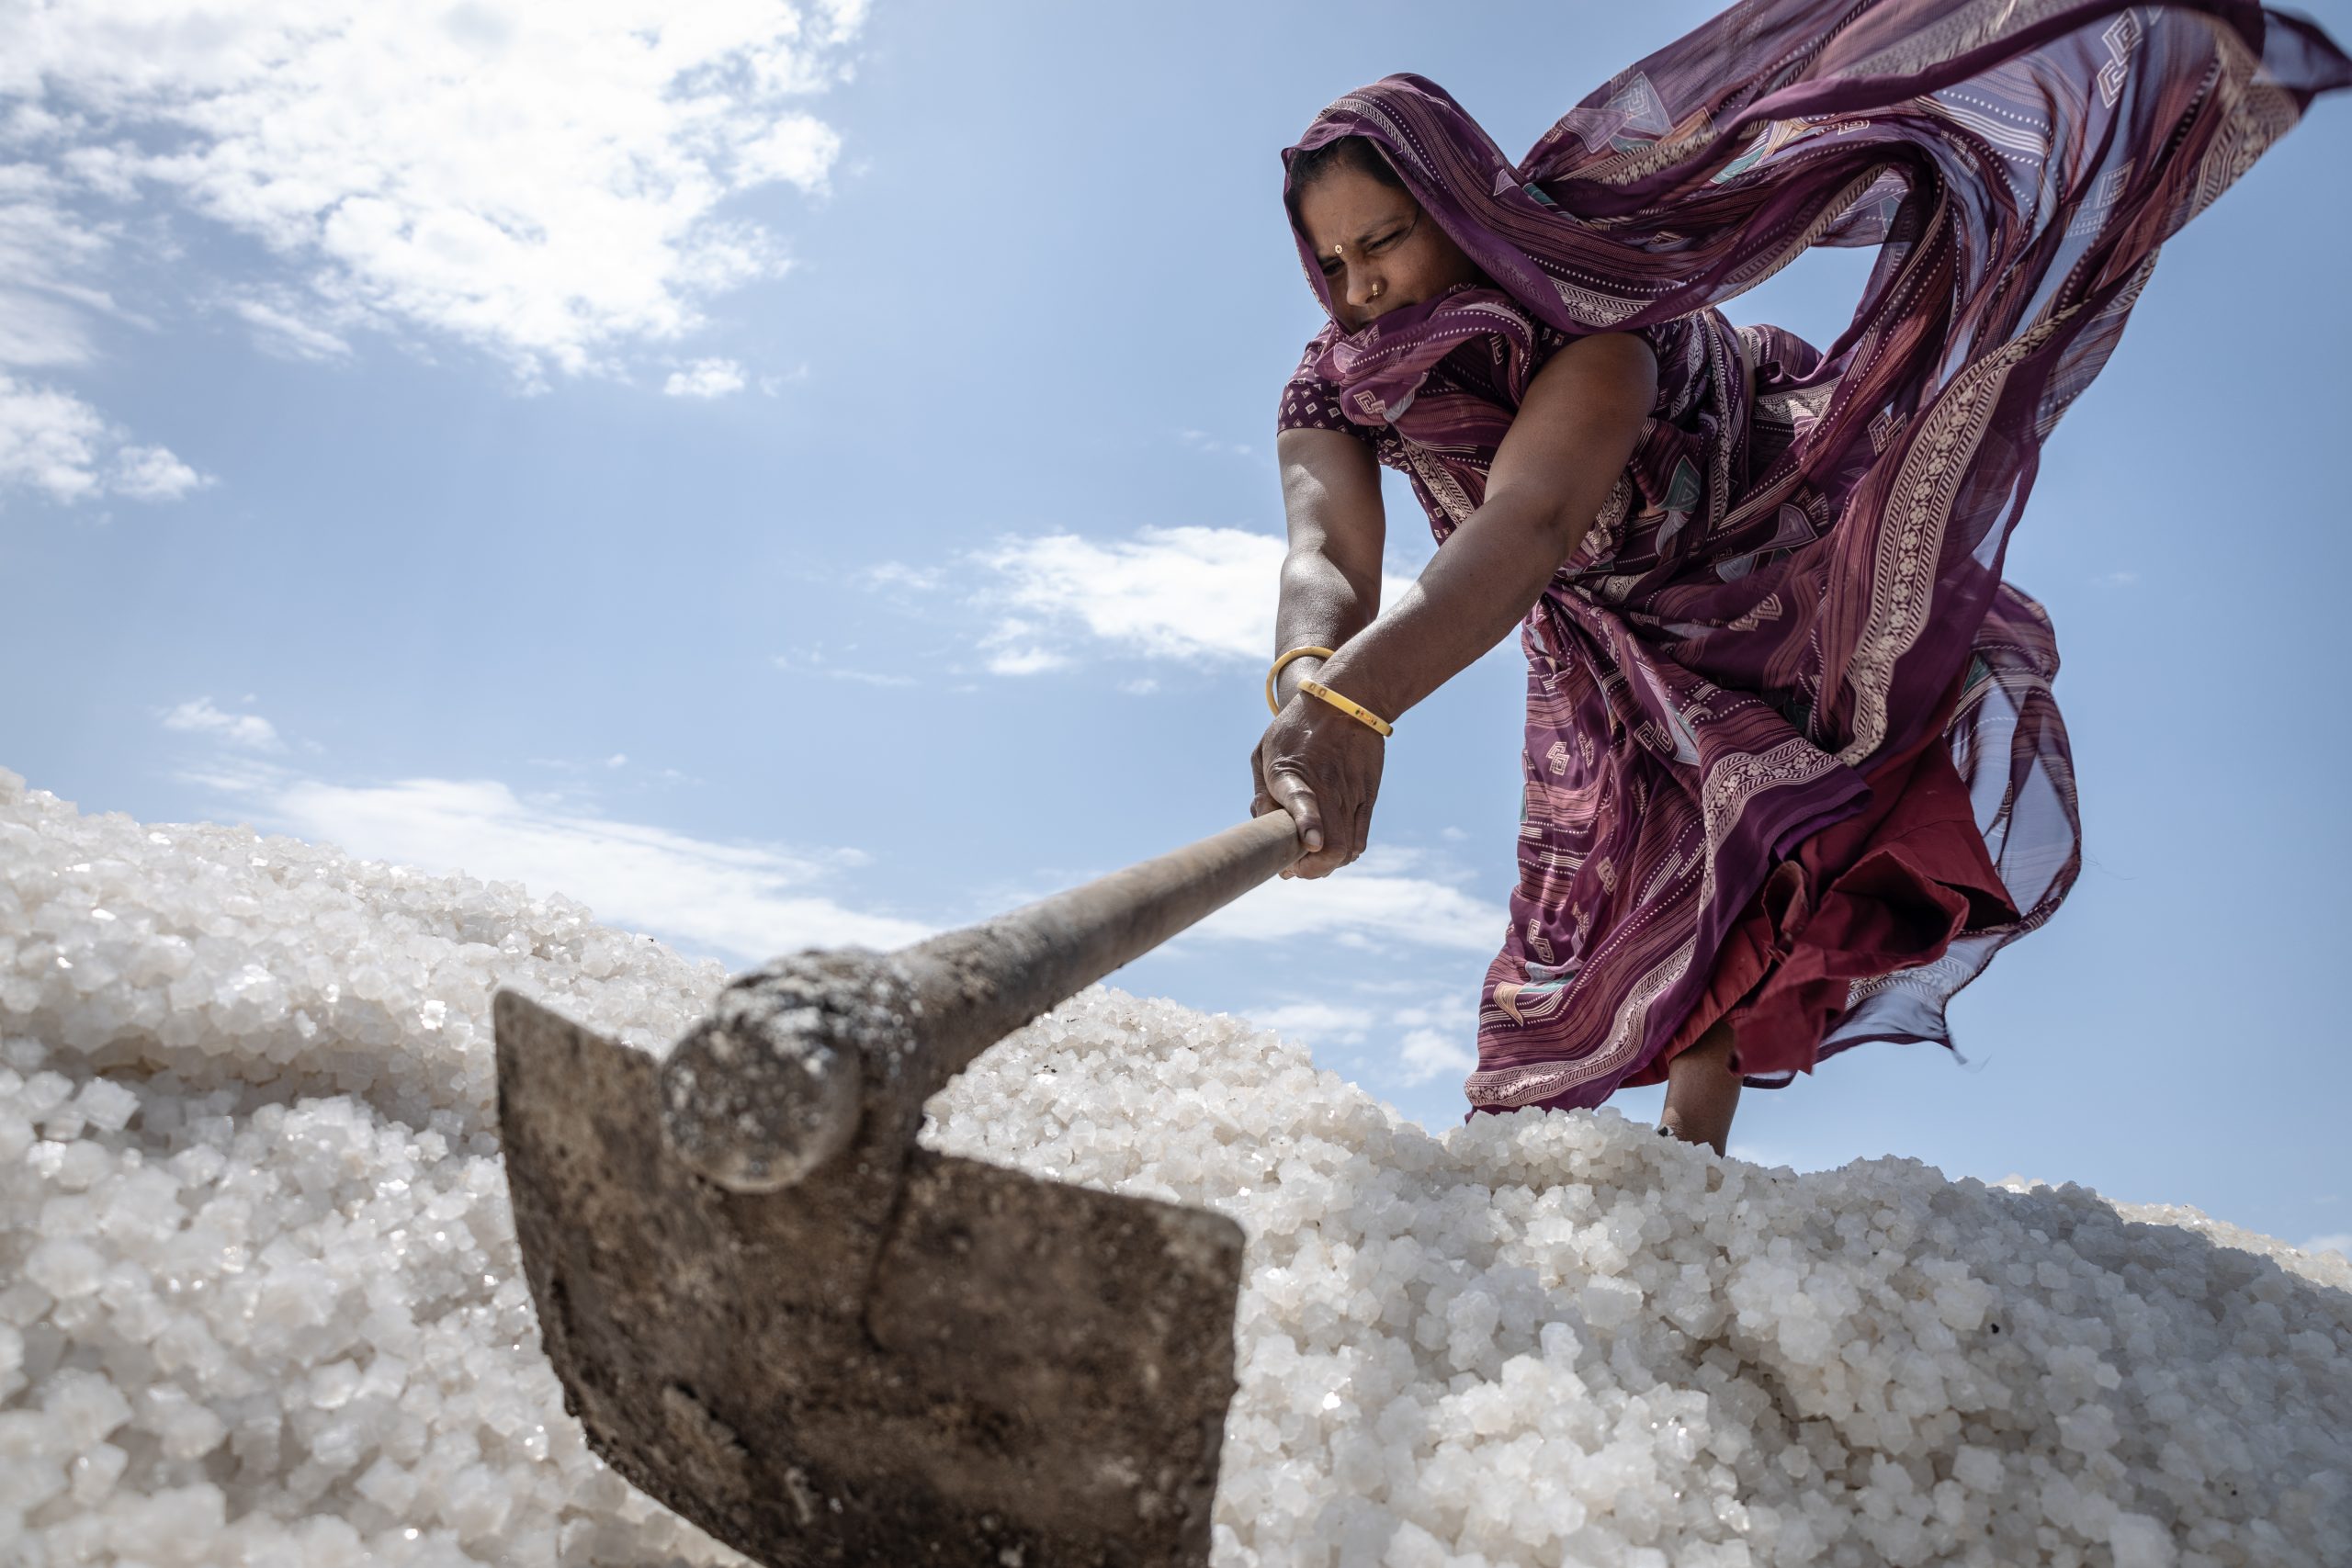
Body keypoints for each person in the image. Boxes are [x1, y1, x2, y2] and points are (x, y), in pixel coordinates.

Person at [1250, 0, 2348, 1155]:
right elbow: (1325, 553)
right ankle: (1541, 1169)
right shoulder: (1335, 381)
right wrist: (1311, 684)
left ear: (1459, 211)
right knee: (1589, 893)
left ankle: (1691, 1168)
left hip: (1757, 573)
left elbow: (1531, 516)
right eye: (1329, 262)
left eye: (1382, 242)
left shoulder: (1595, 317)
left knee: (1768, 840)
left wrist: (1359, 704)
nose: (1359, 285)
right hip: (1593, 632)